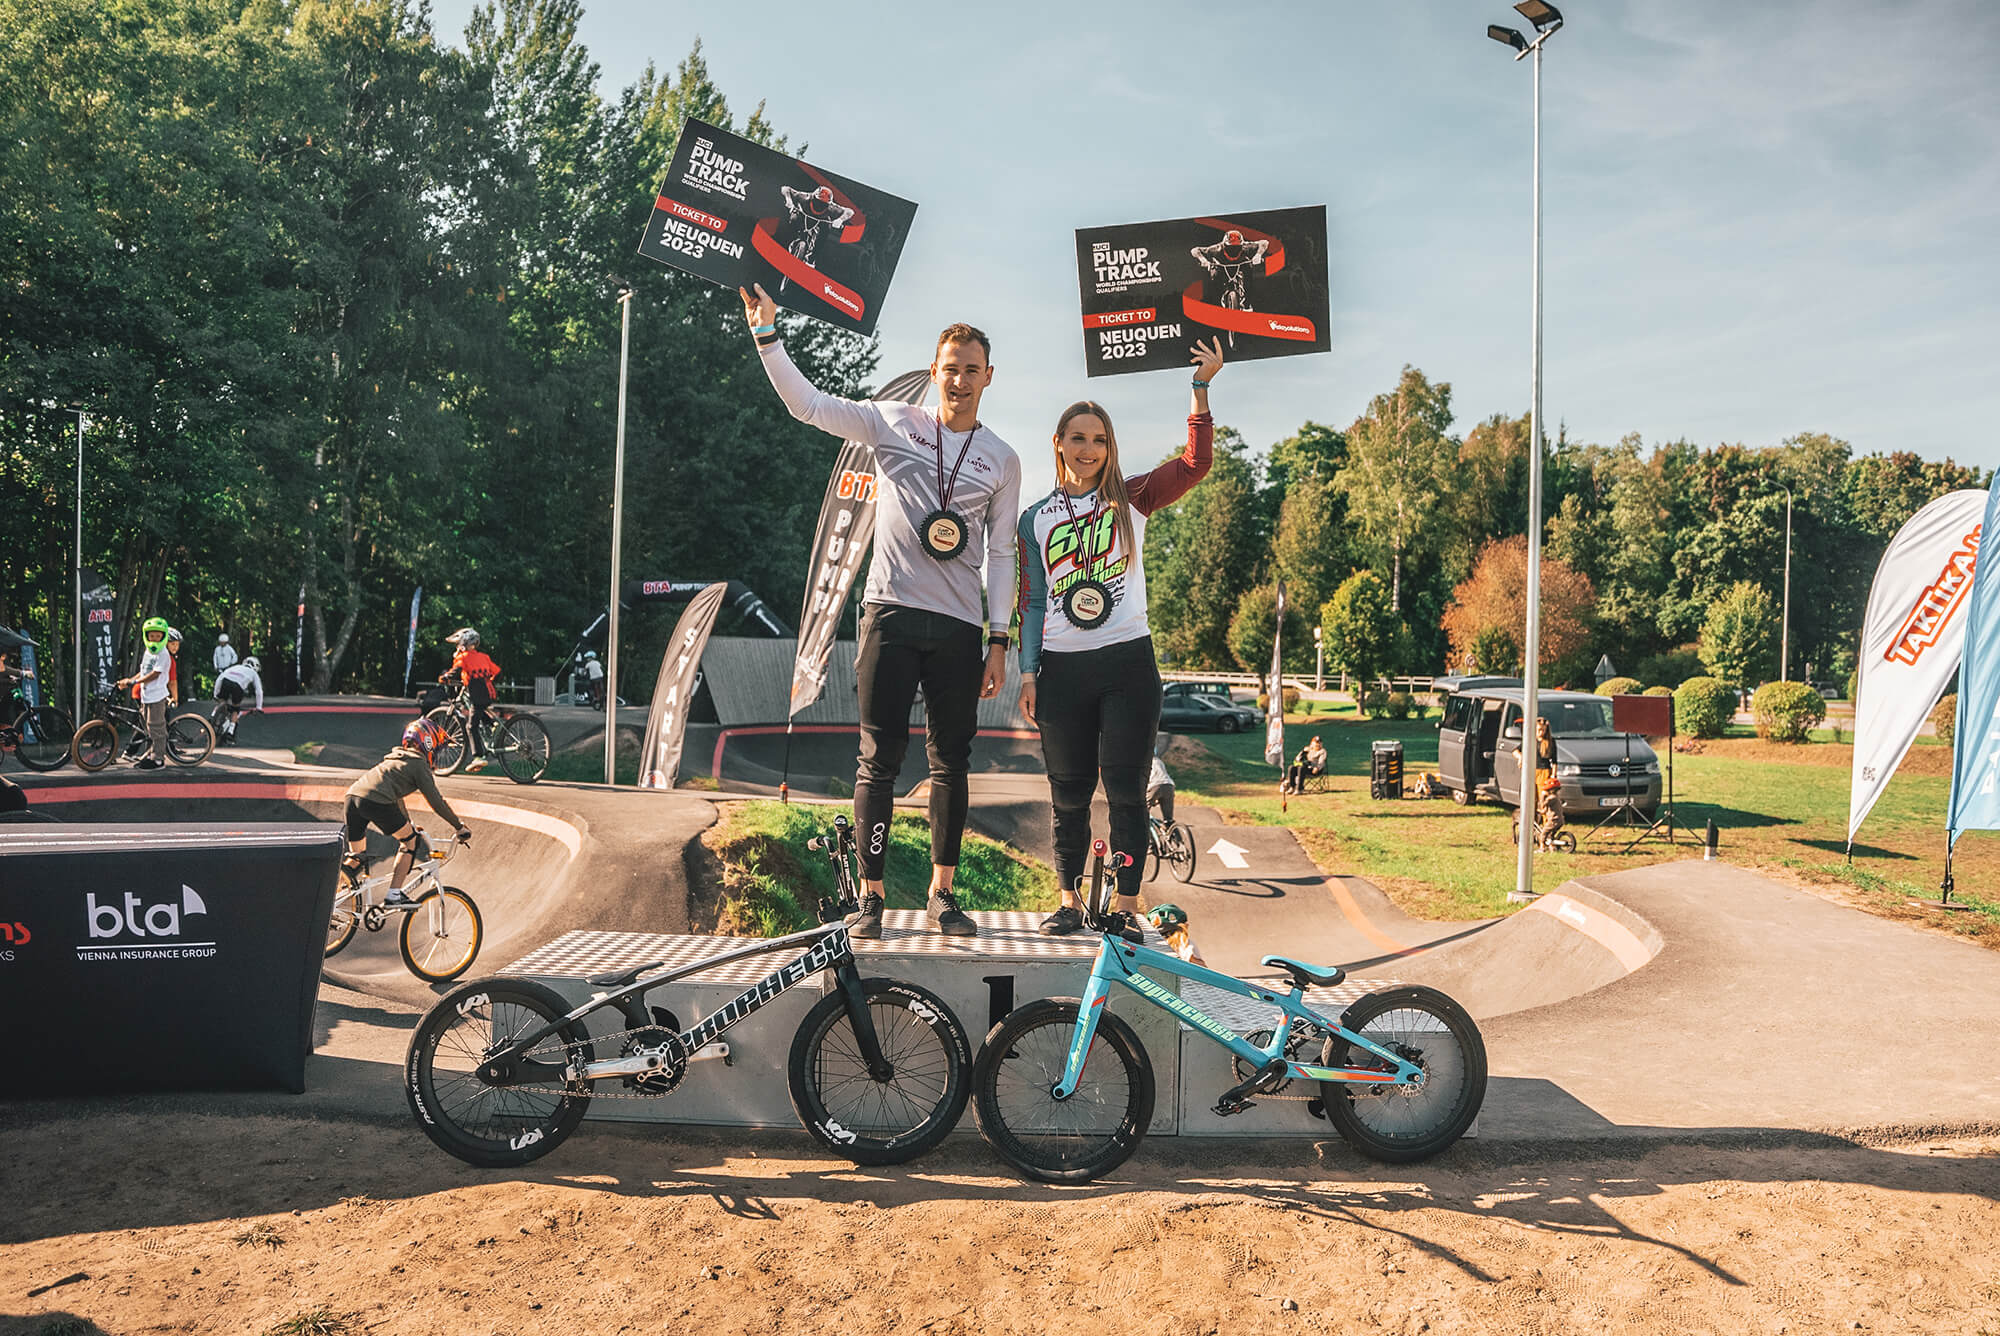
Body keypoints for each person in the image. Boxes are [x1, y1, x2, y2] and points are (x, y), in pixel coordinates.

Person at [741, 283, 1021, 938]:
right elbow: (806, 405)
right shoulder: (890, 421)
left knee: (952, 761)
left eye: (970, 369)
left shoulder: (1002, 458)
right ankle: (870, 896)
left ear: (987, 377)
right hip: (888, 614)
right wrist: (766, 334)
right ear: (935, 371)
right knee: (879, 759)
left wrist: (999, 639)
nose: (959, 379)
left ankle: (942, 895)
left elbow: (1002, 552)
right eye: (949, 367)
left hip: (956, 628)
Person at [1021, 337, 1224, 935]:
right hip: (1061, 670)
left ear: (1110, 447)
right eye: (1078, 437)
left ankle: (1126, 908)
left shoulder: (1132, 496)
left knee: (1127, 792)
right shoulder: (1036, 518)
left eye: (1099, 439)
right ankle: (1066, 901)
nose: (1088, 449)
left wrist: (1201, 388)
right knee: (1069, 796)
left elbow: (1195, 464)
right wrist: (1029, 671)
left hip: (1128, 667)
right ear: (1059, 443)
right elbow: (1032, 601)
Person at [342, 718, 472, 904]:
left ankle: (331, 894)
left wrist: (408, 823)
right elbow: (436, 801)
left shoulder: (396, 758)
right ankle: (394, 895)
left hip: (352, 798)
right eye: (437, 749)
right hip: (375, 802)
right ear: (429, 744)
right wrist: (458, 826)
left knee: (357, 858)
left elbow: (395, 796)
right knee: (410, 841)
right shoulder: (418, 764)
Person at [116, 617, 173, 770]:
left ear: (163, 636)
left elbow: (155, 674)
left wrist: (135, 682)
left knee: (156, 727)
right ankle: (151, 753)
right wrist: (129, 680)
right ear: (146, 636)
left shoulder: (163, 653)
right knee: (146, 727)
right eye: (151, 635)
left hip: (157, 695)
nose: (154, 639)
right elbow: (143, 672)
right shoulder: (148, 652)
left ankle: (158, 759)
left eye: (158, 636)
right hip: (146, 696)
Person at [441, 628, 500, 773]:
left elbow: (456, 671)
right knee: (478, 712)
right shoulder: (484, 657)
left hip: (476, 693)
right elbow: (497, 671)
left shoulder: (464, 657)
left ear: (463, 643)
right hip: (488, 692)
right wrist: (488, 681)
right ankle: (491, 724)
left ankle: (478, 757)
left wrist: (445, 677)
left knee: (470, 726)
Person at [212, 655, 264, 744]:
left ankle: (213, 716)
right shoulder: (253, 673)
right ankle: (230, 732)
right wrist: (259, 707)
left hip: (226, 681)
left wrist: (215, 694)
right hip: (238, 686)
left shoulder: (235, 667)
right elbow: (258, 691)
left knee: (222, 701)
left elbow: (220, 677)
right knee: (235, 709)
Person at [1147, 752, 1176, 825]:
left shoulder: (1144, 762)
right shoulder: (1159, 761)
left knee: (1141, 812)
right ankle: (1172, 832)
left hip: (1155, 785)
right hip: (1169, 785)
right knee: (1168, 819)